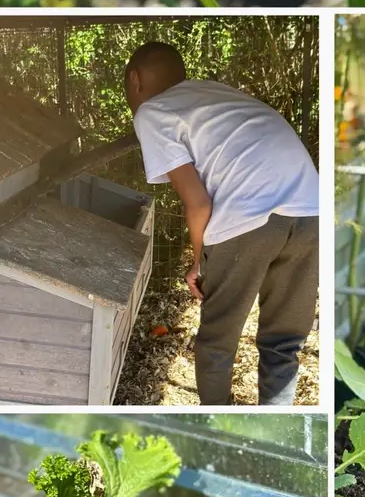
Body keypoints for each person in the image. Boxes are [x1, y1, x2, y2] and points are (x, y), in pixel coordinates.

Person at [125, 41, 318, 405]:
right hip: (311, 210)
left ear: (135, 79)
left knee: (216, 343)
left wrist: (199, 261)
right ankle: (279, 426)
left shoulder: (152, 111)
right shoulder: (214, 94)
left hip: (249, 217)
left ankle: (218, 423)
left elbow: (198, 204)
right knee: (283, 343)